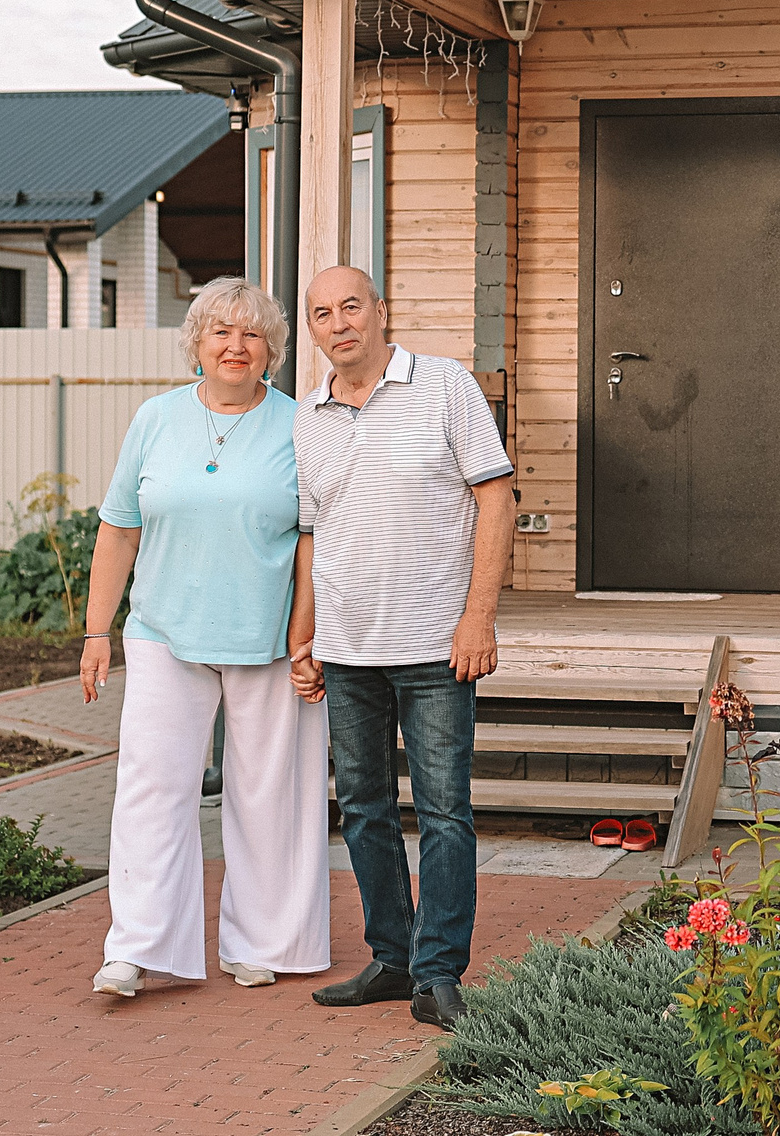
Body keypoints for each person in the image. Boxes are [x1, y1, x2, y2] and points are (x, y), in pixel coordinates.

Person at [79, 275, 329, 997]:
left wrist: (306, 635)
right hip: (163, 630)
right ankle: (137, 946)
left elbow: (315, 540)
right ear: (197, 342)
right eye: (221, 330)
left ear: (272, 350)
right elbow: (119, 528)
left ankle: (262, 941)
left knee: (270, 793)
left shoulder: (301, 424)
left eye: (252, 333)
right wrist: (99, 631)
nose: (236, 344)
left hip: (271, 637)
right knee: (153, 790)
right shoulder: (155, 418)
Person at [294, 265, 514, 1028]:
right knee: (362, 806)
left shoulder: (446, 385)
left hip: (433, 642)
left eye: (351, 305)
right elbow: (314, 531)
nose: (338, 322)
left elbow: (496, 496)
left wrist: (477, 616)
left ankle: (438, 972)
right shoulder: (309, 416)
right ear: (314, 329)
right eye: (322, 312)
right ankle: (392, 957)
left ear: (380, 311)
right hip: (348, 647)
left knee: (445, 809)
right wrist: (306, 632)